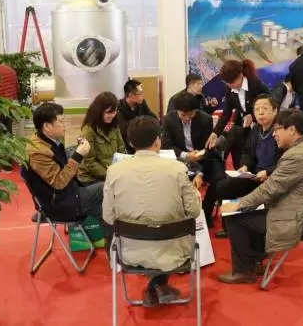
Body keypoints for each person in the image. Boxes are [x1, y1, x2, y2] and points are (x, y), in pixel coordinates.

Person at [218, 109, 303, 284]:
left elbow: (269, 189)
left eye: (277, 129)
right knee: (249, 208)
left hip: (297, 219)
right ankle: (255, 260)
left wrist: (239, 204)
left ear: (291, 130)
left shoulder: (296, 155)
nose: (274, 134)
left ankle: (244, 270)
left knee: (233, 215)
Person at [103, 116, 201, 306]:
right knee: (165, 225)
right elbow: (194, 211)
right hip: (173, 249)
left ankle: (155, 286)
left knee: (152, 226)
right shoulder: (177, 169)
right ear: (158, 140)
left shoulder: (114, 171)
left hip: (129, 251)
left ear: (131, 143)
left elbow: (108, 216)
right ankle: (158, 285)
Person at [24, 102, 105, 225]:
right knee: (108, 186)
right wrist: (78, 155)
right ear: (47, 126)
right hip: (60, 204)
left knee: (107, 209)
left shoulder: (47, 140)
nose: (65, 126)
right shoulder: (38, 153)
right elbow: (59, 182)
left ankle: (111, 233)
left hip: (69, 192)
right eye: (61, 122)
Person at [214, 94, 281, 237]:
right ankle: (229, 228)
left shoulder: (280, 131)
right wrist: (245, 166)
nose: (260, 113)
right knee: (223, 186)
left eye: (264, 108)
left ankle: (254, 229)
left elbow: (286, 162)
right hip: (255, 176)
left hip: (273, 179)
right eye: (257, 109)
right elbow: (247, 152)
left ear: (275, 110)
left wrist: (268, 172)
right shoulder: (256, 129)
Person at [161, 92, 225, 226]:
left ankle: (206, 212)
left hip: (204, 158)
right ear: (177, 111)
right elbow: (166, 146)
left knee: (219, 178)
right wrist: (186, 155)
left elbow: (208, 148)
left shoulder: (205, 119)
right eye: (183, 115)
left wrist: (200, 173)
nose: (186, 118)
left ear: (196, 111)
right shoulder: (168, 120)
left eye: (190, 115)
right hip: (180, 159)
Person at [205, 59, 270, 168]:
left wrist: (253, 115)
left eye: (232, 82)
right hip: (242, 126)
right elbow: (226, 113)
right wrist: (215, 133)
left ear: (240, 75)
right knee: (237, 155)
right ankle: (222, 157)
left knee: (238, 136)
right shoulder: (229, 90)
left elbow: (269, 105)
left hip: (258, 128)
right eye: (227, 83)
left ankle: (222, 153)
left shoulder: (256, 85)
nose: (229, 85)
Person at [78, 91, 126, 185]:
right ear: (99, 111)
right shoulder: (88, 130)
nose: (113, 115)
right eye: (109, 112)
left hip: (112, 173)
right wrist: (110, 174)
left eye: (115, 112)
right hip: (91, 178)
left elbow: (122, 151)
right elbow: (90, 163)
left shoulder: (114, 126)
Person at [117, 79, 157, 154]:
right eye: (140, 93)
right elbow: (125, 130)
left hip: (142, 140)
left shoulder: (142, 103)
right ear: (130, 95)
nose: (143, 96)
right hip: (127, 145)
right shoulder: (119, 107)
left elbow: (151, 117)